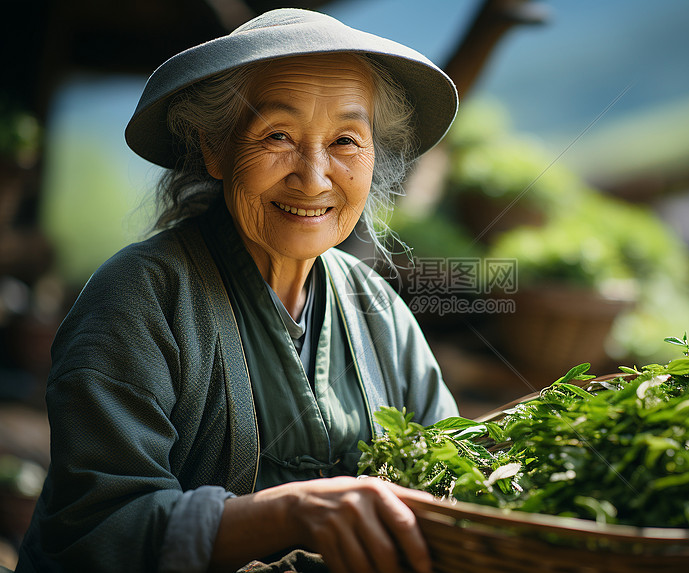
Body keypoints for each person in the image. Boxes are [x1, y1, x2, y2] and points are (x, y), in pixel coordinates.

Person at [16, 8, 459, 573]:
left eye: (346, 140)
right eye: (278, 135)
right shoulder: (138, 298)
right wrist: (292, 511)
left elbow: (452, 470)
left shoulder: (377, 310)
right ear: (215, 148)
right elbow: (95, 533)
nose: (315, 177)